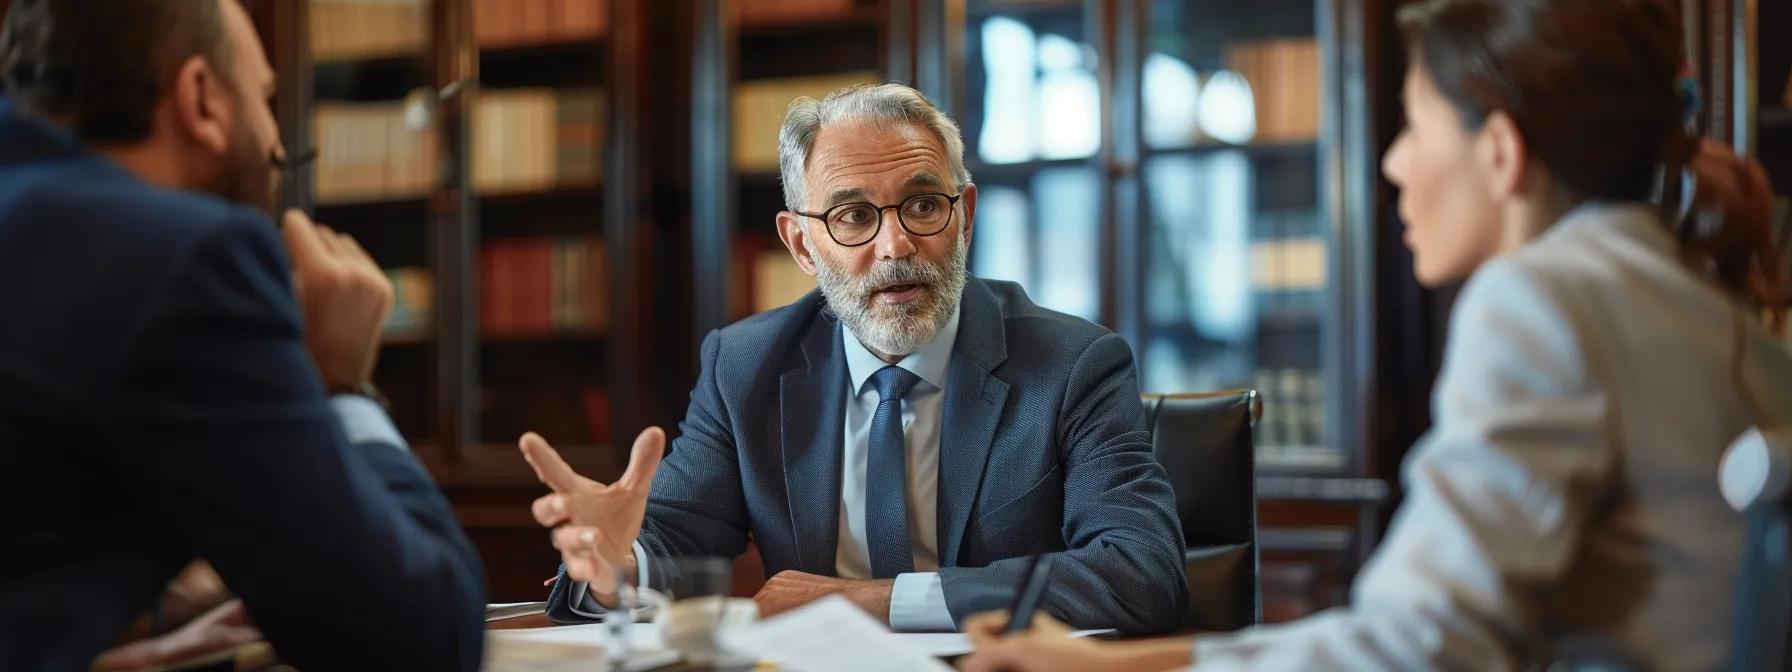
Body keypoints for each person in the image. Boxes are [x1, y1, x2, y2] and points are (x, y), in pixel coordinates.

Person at [957, 0, 1792, 669]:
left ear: (1499, 152)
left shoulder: (1541, 300)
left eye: (1415, 127)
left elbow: (1415, 648)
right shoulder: (1706, 305)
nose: (1391, 164)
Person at [521, 82, 1189, 634]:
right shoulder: (745, 366)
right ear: (803, 244)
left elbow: (1141, 575)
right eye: (852, 216)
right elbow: (672, 541)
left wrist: (881, 600)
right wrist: (620, 569)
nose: (895, 245)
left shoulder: (1074, 365)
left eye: (924, 204)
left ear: (967, 216)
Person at [0, 1, 486, 669]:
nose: (278, 143)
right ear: (202, 98)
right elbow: (422, 640)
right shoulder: (189, 259)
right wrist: (344, 382)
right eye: (263, 98)